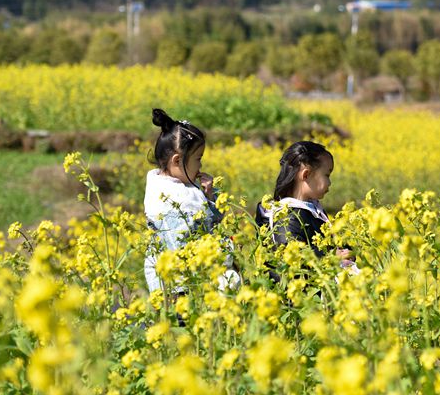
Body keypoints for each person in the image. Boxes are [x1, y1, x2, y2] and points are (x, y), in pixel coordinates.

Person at [144, 109, 237, 295]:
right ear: (177, 160)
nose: (201, 166)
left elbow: (209, 223)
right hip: (181, 290)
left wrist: (210, 196)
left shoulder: (181, 185)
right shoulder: (170, 200)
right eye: (198, 159)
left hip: (190, 281)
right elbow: (188, 246)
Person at [255, 141, 358, 275]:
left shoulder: (312, 209)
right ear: (306, 175)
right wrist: (331, 256)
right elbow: (292, 257)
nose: (330, 182)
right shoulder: (286, 216)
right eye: (327, 175)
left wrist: (346, 252)